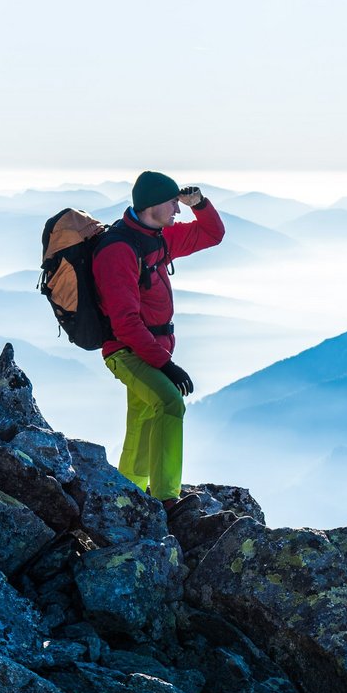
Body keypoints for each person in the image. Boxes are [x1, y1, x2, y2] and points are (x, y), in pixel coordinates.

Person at [92, 170, 225, 518]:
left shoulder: (158, 237)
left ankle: (129, 493)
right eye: (173, 203)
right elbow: (125, 323)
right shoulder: (118, 250)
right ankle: (167, 497)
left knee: (143, 419)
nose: (177, 210)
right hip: (127, 349)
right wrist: (165, 364)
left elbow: (213, 234)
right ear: (153, 205)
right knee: (169, 403)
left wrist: (200, 204)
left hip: (152, 348)